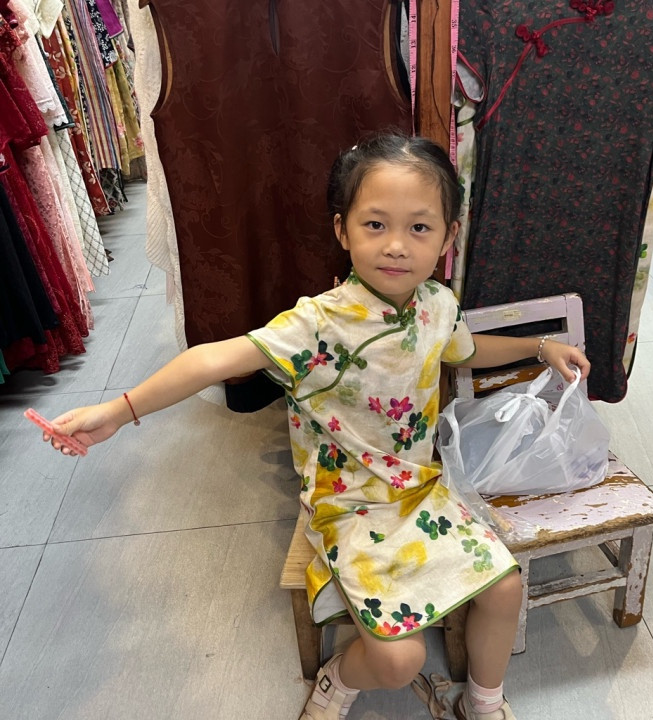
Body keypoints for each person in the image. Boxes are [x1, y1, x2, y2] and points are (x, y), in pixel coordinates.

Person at [44, 133, 590, 720]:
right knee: (399, 660)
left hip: (420, 490)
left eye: (419, 227)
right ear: (342, 230)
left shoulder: (437, 303)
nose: (396, 245)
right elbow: (213, 359)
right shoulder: (318, 324)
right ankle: (336, 680)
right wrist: (118, 411)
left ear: (448, 237)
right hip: (346, 504)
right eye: (375, 224)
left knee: (506, 588)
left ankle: (482, 704)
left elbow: (464, 349)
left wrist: (539, 346)